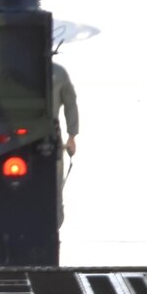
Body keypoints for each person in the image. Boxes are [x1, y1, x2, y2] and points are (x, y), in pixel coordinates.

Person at [53, 58, 79, 227]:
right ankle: (55, 217)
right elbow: (70, 103)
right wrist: (71, 136)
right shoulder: (58, 73)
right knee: (54, 184)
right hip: (48, 136)